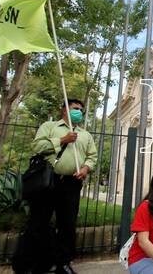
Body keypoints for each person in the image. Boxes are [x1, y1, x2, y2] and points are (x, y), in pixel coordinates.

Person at [21, 99, 97, 274]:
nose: (78, 112)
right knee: (38, 222)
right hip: (48, 181)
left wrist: (85, 168)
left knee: (67, 224)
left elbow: (92, 157)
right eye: (75, 108)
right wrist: (63, 139)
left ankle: (63, 263)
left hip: (71, 183)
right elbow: (37, 146)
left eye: (80, 110)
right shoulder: (49, 127)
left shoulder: (85, 135)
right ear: (64, 110)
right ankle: (33, 263)